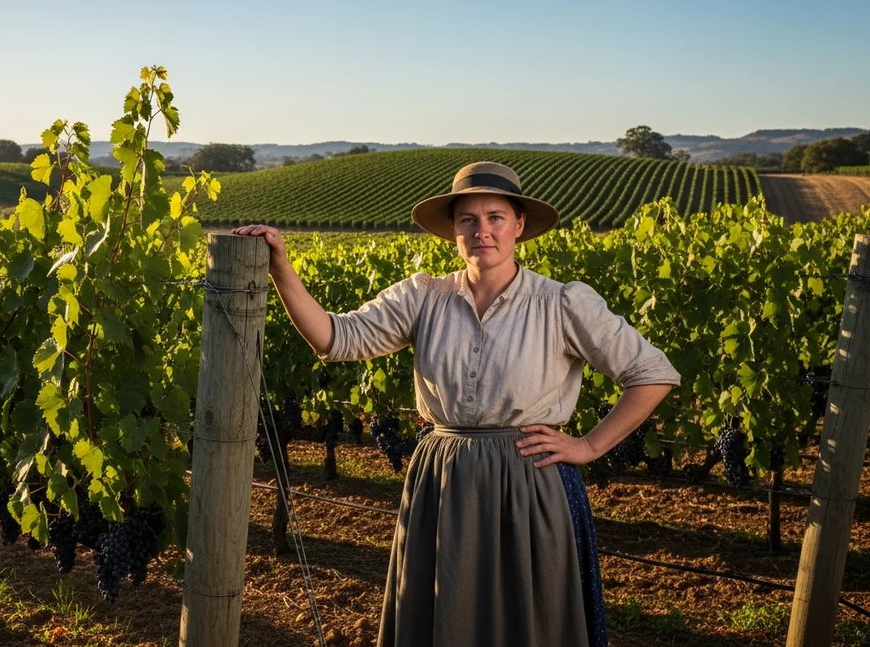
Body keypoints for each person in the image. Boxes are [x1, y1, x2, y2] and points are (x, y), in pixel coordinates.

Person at [232, 161, 680, 647]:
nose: (482, 230)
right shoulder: (424, 296)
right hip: (442, 482)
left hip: (528, 486)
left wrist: (591, 445)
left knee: (527, 623)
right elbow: (334, 337)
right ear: (453, 230)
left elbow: (652, 374)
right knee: (442, 621)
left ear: (519, 226)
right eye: (468, 219)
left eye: (495, 218)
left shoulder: (562, 303)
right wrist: (282, 270)